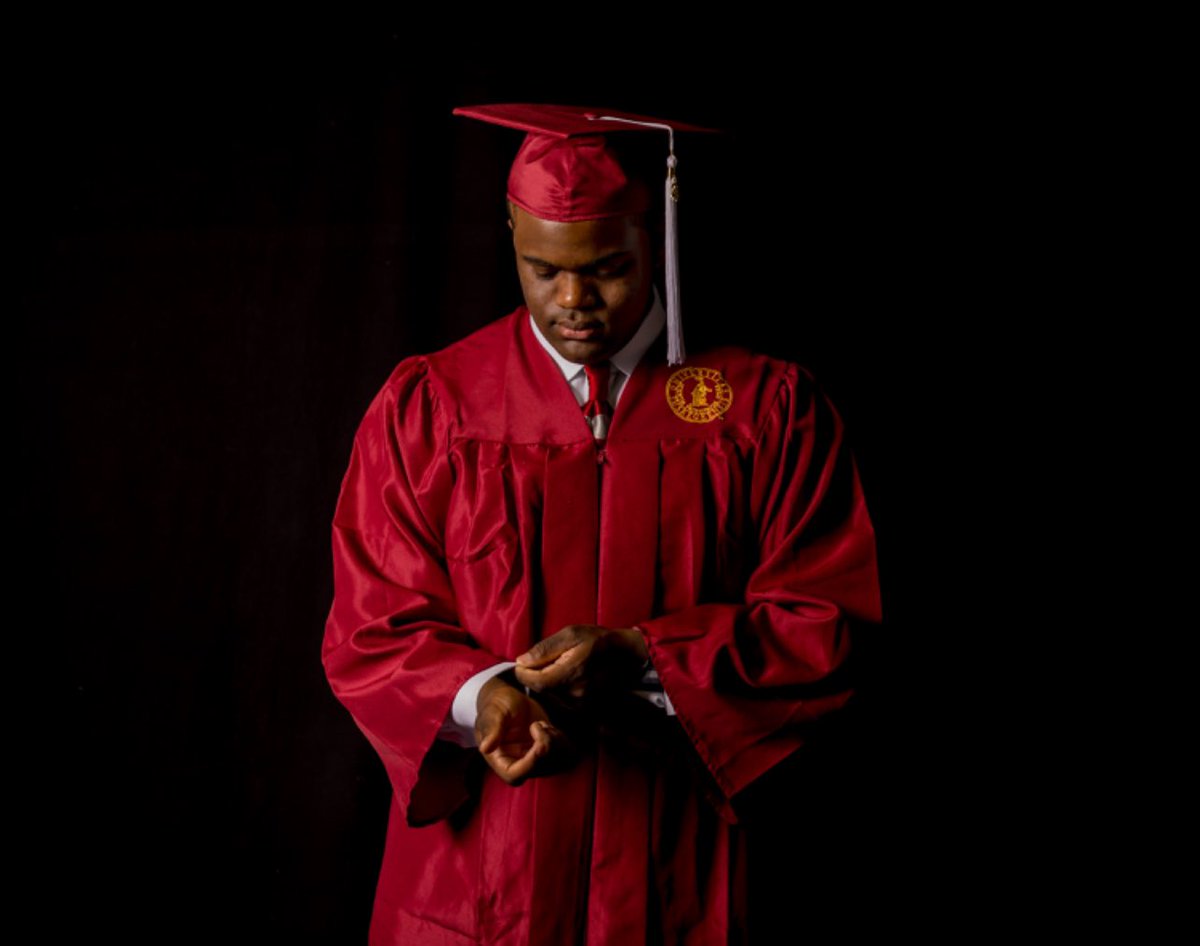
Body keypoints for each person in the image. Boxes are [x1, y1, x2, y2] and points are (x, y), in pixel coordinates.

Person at [322, 103, 881, 945]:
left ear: (655, 233)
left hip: (675, 865)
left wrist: (647, 656)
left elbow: (826, 618)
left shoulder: (766, 410)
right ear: (509, 230)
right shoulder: (433, 405)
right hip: (481, 878)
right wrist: (482, 701)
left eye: (610, 268)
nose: (574, 302)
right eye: (542, 270)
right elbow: (372, 624)